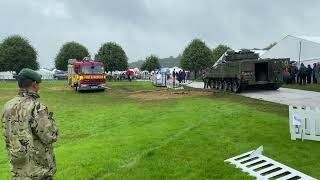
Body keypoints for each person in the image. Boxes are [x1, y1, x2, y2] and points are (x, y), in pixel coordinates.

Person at [1, 68, 58, 180]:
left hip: (18, 170)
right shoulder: (36, 107)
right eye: (38, 84)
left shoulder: (7, 106)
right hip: (38, 171)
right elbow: (50, 136)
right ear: (34, 84)